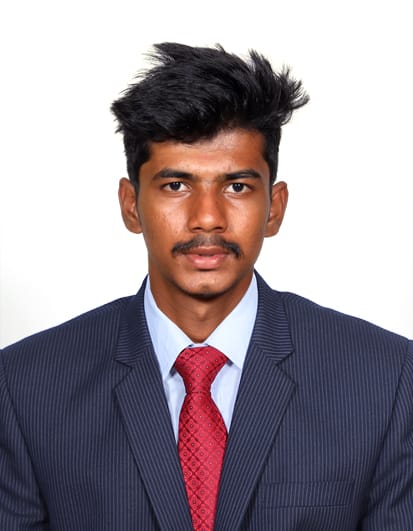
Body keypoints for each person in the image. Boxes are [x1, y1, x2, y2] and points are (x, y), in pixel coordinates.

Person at [0, 42, 412, 531]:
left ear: (274, 208)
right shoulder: (24, 387)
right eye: (176, 185)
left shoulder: (385, 380)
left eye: (237, 186)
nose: (208, 218)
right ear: (131, 205)